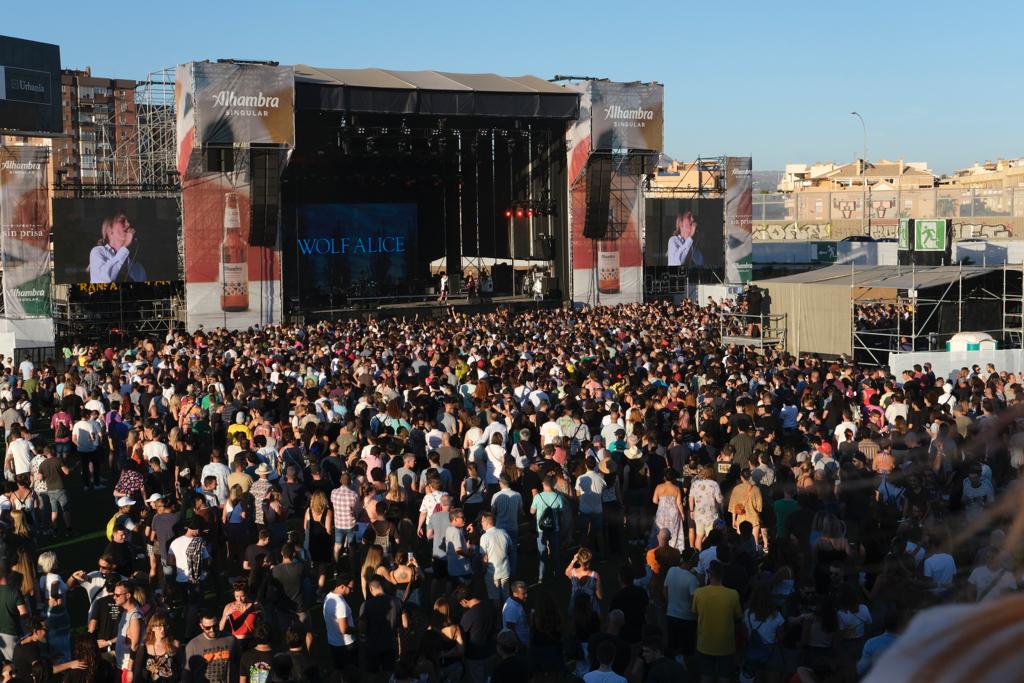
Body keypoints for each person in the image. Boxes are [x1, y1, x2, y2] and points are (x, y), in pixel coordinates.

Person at [692, 560, 741, 683]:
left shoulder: (699, 593)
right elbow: (737, 617)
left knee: (706, 677)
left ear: (709, 573)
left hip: (705, 643)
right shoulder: (733, 594)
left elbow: (694, 613)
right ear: (722, 574)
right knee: (724, 677)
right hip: (725, 645)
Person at [89, 211, 146, 284]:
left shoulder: (138, 269)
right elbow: (104, 280)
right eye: (122, 221)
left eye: (129, 221)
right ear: (109, 230)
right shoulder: (98, 252)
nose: (128, 224)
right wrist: (125, 246)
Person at [183, 611, 236, 683]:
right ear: (201, 626)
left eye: (215, 626)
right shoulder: (193, 645)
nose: (212, 630)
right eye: (208, 628)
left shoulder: (231, 640)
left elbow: (239, 664)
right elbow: (187, 673)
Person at [131, 610, 180, 683]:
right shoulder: (144, 647)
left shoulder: (174, 644)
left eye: (164, 625)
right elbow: (137, 672)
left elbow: (181, 669)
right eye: (159, 626)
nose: (163, 629)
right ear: (152, 628)